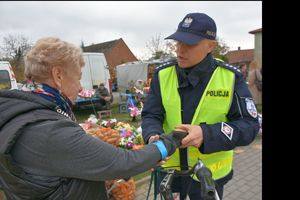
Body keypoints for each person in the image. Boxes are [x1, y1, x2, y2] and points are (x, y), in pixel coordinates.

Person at [0, 37, 187, 200]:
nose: (81, 88)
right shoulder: (47, 129)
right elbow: (124, 163)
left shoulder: (21, 113)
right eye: (78, 78)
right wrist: (170, 141)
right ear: (58, 75)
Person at [141, 13, 260, 200]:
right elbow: (151, 115)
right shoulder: (162, 74)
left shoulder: (230, 77)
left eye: (189, 44)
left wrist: (207, 134)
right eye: (178, 42)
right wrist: (151, 135)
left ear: (210, 46)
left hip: (208, 177)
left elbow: (250, 126)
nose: (180, 50)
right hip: (169, 174)